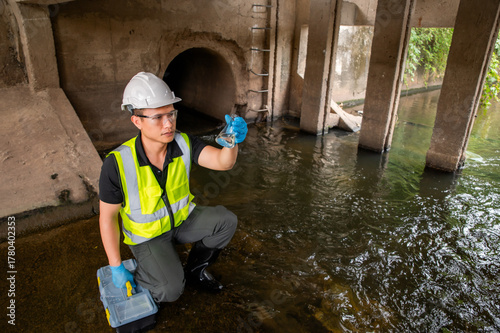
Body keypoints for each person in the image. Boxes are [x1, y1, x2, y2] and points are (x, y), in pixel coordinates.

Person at [98, 72, 248, 303]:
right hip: (148, 237)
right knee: (170, 290)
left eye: (171, 114)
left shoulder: (184, 142)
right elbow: (108, 218)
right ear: (137, 121)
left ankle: (195, 271)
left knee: (225, 221)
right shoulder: (117, 163)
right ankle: (150, 272)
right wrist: (115, 265)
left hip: (181, 222)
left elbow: (223, 162)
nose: (168, 123)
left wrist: (232, 141)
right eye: (157, 117)